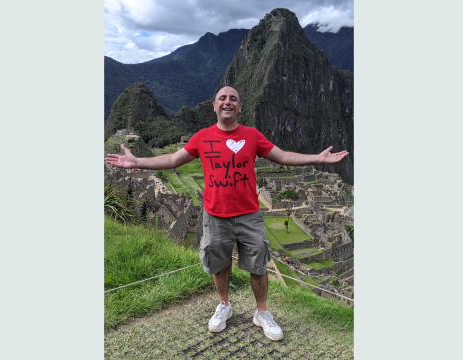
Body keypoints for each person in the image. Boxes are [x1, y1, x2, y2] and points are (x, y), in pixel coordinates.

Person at [105, 86, 348, 341]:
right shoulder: (202, 137)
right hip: (215, 214)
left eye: (233, 99)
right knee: (218, 263)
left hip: (249, 214)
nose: (228, 102)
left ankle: (261, 313)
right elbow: (173, 159)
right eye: (223, 98)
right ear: (214, 106)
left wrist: (317, 159)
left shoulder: (252, 135)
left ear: (240, 107)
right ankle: (224, 305)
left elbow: (283, 156)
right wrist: (137, 162)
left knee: (258, 266)